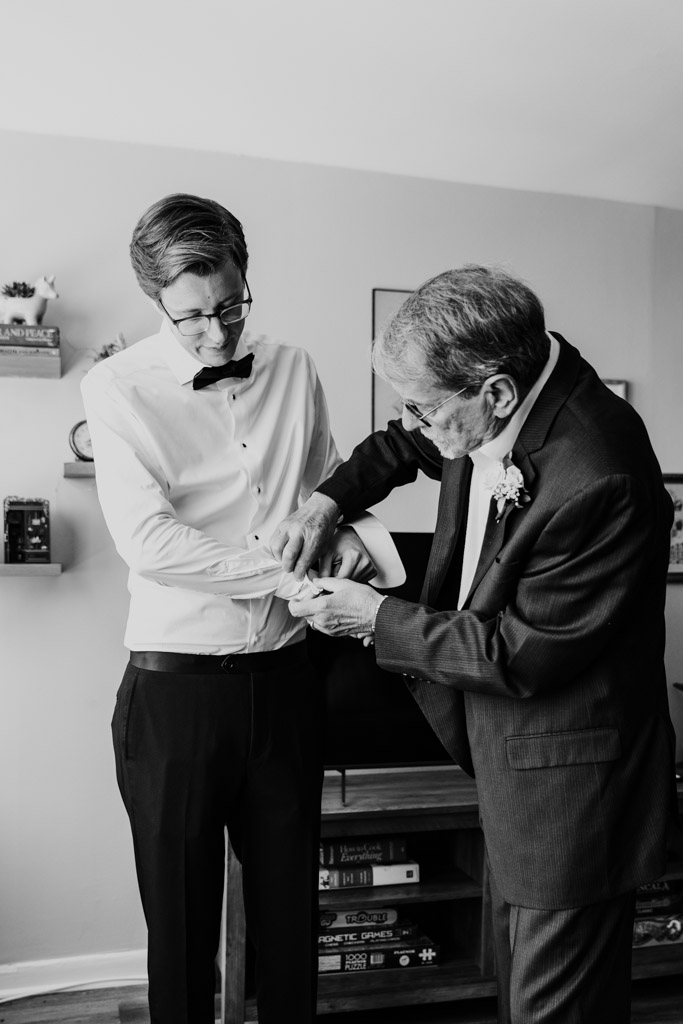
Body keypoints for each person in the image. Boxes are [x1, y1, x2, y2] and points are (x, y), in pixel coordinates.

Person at [271, 265, 682, 1024]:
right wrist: (329, 503)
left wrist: (372, 617)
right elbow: (401, 449)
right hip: (508, 767)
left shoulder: (596, 474)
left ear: (493, 393)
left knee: (550, 1009)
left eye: (422, 406)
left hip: (570, 792)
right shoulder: (502, 401)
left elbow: (517, 652)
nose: (412, 421)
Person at [81, 193, 395, 1024]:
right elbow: (150, 542)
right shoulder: (114, 388)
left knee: (293, 921)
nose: (216, 334)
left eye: (229, 308)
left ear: (245, 276)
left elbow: (329, 483)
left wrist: (351, 530)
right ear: (156, 301)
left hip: (288, 685)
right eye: (191, 319)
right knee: (181, 935)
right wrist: (288, 580)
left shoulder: (294, 367)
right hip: (175, 695)